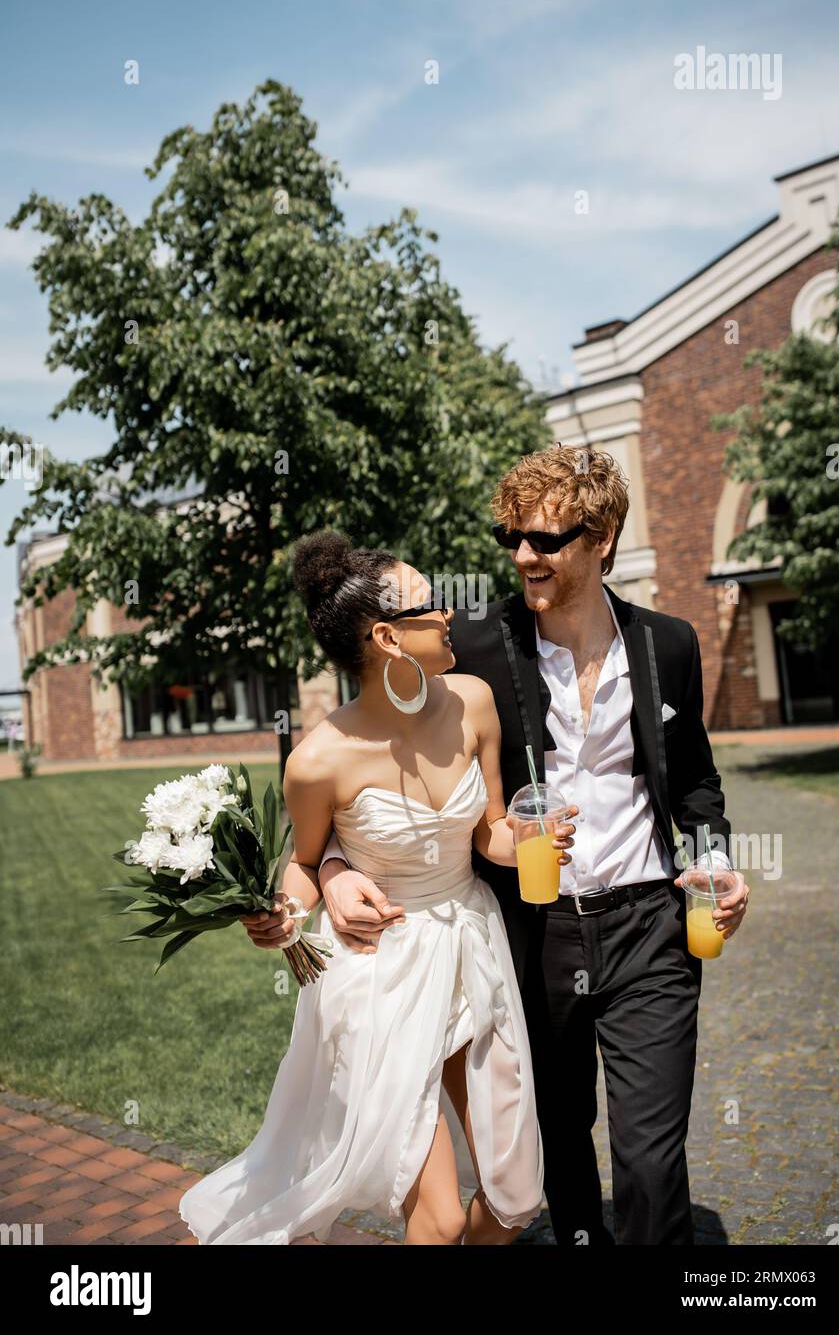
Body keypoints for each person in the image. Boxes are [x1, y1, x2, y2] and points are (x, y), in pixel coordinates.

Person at [304, 444, 749, 1245]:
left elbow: (696, 782)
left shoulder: (670, 645)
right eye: (511, 536)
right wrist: (332, 867)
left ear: (602, 538)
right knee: (560, 1137)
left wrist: (714, 859)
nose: (522, 556)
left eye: (545, 539)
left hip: (652, 927)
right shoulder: (472, 646)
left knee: (651, 1161)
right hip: (534, 935)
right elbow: (366, 756)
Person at [178, 530, 576, 1246]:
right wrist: (282, 914)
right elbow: (305, 863)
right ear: (388, 638)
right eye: (431, 604)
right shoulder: (318, 760)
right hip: (382, 970)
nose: (449, 614)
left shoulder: (473, 702)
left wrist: (528, 841)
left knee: (515, 1200)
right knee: (439, 1218)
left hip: (474, 948)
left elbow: (488, 831)